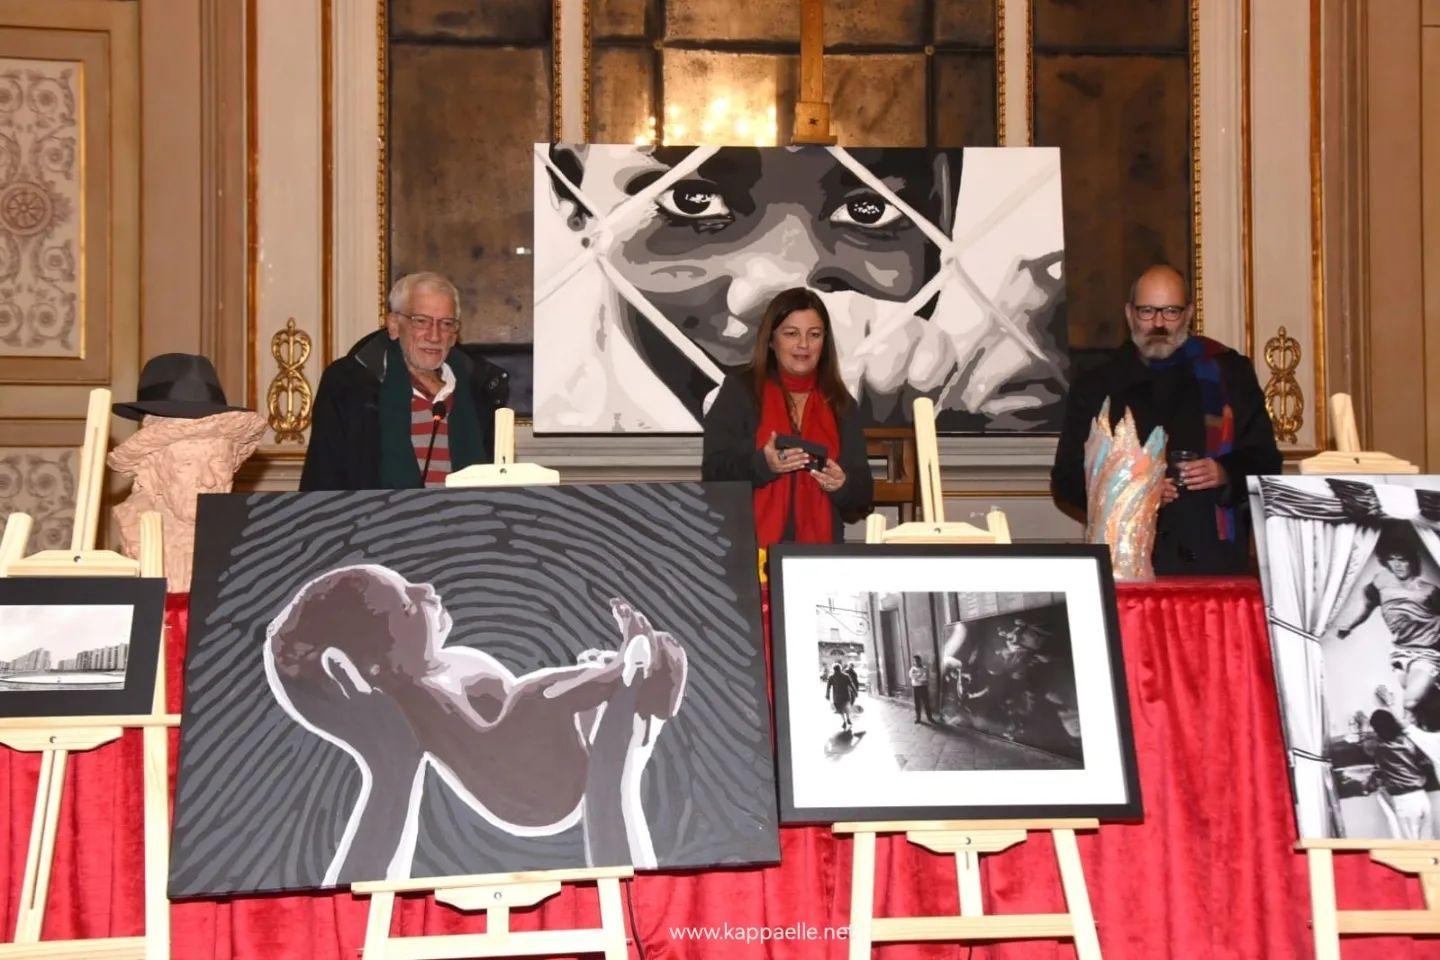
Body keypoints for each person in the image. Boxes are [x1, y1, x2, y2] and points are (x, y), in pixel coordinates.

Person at [538, 145, 1068, 432]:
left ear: (945, 211)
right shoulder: (556, 421)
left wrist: (954, 448)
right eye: (691, 202)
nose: (775, 290)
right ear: (571, 190)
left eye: (869, 210)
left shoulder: (961, 390)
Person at [263, 564, 688, 882]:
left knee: (541, 696)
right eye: (407, 605)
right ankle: (624, 671)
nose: (425, 590)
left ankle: (642, 678)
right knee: (536, 698)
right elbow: (500, 731)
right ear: (373, 668)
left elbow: (518, 712)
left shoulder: (447, 663)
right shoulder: (418, 697)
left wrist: (585, 691)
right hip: (525, 786)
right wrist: (588, 687)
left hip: (540, 755)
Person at [1050, 264, 1282, 574]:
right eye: (1147, 311)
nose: (1158, 324)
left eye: (1171, 312)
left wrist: (1225, 472)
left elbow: (1266, 461)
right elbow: (1067, 480)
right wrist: (1134, 492)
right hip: (1127, 565)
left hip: (1213, 562)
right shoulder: (1096, 385)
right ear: (1129, 314)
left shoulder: (1230, 373)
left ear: (1188, 314)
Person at [701, 287, 874, 546]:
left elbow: (862, 498)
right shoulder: (739, 392)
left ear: (824, 343)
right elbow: (714, 475)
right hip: (746, 552)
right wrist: (763, 465)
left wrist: (842, 484)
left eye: (814, 334)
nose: (803, 344)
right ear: (771, 340)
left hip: (821, 558)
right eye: (791, 333)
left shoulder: (841, 403)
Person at [301, 272, 500, 490]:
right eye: (421, 321)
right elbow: (321, 484)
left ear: (454, 334)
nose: (434, 336)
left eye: (446, 324)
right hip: (377, 513)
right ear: (394, 325)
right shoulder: (348, 386)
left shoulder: (478, 390)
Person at [108, 354, 266, 592]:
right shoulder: (135, 526)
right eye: (188, 463)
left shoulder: (253, 534)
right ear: (151, 472)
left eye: (219, 462)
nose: (209, 480)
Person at [1337, 536, 1440, 723]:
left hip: (1428, 652)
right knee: (1424, 702)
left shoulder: (1429, 591)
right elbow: (1367, 607)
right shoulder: (1380, 583)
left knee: (1410, 702)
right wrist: (1349, 626)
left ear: (1412, 561)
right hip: (1400, 653)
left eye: (1402, 559)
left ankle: (1408, 732)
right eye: (1392, 559)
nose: (1397, 565)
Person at [1365, 708, 1435, 840]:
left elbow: (1367, 746)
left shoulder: (1380, 749)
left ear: (1377, 729)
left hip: (1404, 801)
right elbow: (1424, 761)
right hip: (1422, 796)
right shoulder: (1409, 741)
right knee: (1428, 843)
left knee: (1410, 847)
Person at [824, 662, 858, 732]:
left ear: (834, 669)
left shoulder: (831, 677)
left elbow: (828, 687)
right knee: (846, 707)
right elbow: (851, 685)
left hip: (837, 697)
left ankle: (844, 721)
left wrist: (827, 695)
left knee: (840, 709)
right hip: (846, 695)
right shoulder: (846, 676)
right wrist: (855, 692)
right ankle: (848, 719)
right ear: (840, 668)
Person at [908, 654, 935, 724]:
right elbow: (912, 676)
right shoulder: (912, 669)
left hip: (923, 688)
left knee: (926, 703)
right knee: (917, 704)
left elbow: (926, 677)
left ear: (920, 661)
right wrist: (920, 677)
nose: (916, 662)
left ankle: (930, 718)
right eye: (914, 661)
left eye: (917, 660)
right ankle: (918, 718)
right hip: (916, 688)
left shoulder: (925, 668)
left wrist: (918, 678)